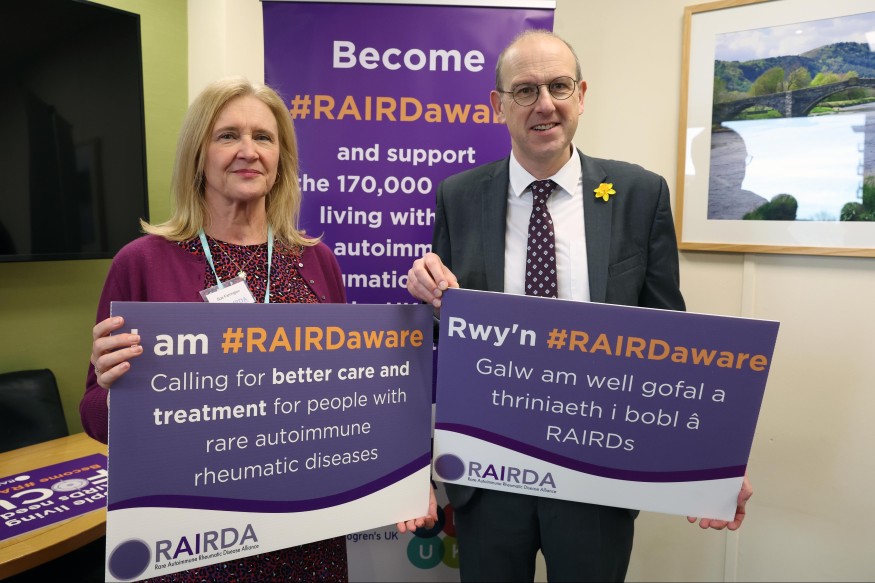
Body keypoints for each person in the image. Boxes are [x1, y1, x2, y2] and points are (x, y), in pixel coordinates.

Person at [404, 30, 754, 582]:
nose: (545, 104)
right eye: (525, 90)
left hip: (597, 471)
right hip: (490, 472)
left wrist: (711, 458)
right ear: (498, 105)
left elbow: (670, 339)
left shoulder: (640, 194)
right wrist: (431, 298)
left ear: (582, 95)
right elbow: (448, 335)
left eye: (559, 86)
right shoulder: (459, 196)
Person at [80, 77, 349, 581]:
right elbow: (94, 414)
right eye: (228, 135)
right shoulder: (141, 262)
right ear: (197, 155)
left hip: (305, 529)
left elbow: (347, 393)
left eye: (263, 137)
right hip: (193, 537)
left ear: (281, 159)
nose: (249, 151)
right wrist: (117, 394)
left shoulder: (317, 261)